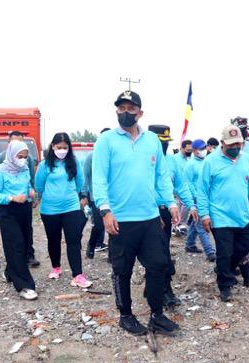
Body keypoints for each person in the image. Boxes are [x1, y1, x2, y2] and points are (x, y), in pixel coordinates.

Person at [92, 90, 180, 336]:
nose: (125, 112)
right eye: (121, 108)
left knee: (159, 265)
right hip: (120, 219)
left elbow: (160, 175)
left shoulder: (152, 140)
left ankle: (156, 315)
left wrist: (170, 203)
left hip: (150, 217)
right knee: (122, 269)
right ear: (116, 110)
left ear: (140, 113)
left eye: (131, 109)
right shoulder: (106, 141)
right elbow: (98, 178)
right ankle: (126, 315)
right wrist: (105, 210)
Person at [198, 125, 249, 302]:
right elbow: (202, 190)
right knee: (224, 252)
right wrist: (204, 215)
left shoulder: (246, 160)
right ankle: (225, 285)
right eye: (231, 145)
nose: (235, 148)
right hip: (220, 216)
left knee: (246, 244)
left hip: (242, 215)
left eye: (238, 144)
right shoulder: (210, 161)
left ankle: (224, 269)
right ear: (222, 143)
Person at [149, 124, 198, 308]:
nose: (163, 147)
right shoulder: (141, 160)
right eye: (160, 143)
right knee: (158, 254)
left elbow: (181, 185)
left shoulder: (172, 161)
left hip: (166, 212)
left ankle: (157, 286)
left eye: (165, 143)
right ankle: (163, 290)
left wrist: (191, 205)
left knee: (163, 250)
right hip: (147, 213)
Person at [35, 132, 91, 288]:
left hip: (71, 207)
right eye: (59, 147)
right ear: (53, 147)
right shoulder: (44, 165)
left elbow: (80, 182)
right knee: (53, 239)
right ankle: (56, 266)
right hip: (49, 209)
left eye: (65, 147)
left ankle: (78, 275)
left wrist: (71, 195)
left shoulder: (74, 162)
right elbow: (39, 186)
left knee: (73, 240)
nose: (62, 150)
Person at [0, 141, 38, 300]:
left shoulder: (24, 169)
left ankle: (10, 272)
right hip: (7, 210)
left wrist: (30, 191)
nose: (23, 160)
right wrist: (11, 197)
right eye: (19, 156)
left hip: (24, 209)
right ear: (11, 155)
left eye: (25, 157)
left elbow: (28, 184)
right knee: (15, 244)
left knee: (23, 244)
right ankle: (24, 285)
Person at [0, 130, 39, 268]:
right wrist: (4, 200)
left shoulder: (27, 160)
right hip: (8, 205)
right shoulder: (0, 161)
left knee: (27, 231)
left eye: (21, 141)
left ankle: (29, 256)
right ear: (9, 143)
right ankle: (13, 266)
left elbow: (30, 179)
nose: (22, 158)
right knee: (13, 238)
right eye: (15, 141)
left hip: (25, 202)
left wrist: (33, 194)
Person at [183, 139, 216, 261]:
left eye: (204, 148)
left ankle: (190, 245)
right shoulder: (190, 165)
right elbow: (187, 183)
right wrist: (195, 196)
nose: (203, 151)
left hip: (207, 197)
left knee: (195, 222)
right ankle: (210, 251)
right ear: (194, 150)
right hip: (197, 198)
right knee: (201, 224)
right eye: (200, 149)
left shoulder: (207, 162)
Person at [81, 129, 110, 259]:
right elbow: (85, 177)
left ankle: (113, 255)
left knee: (115, 226)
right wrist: (84, 195)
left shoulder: (114, 155)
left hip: (114, 198)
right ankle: (91, 245)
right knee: (98, 225)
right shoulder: (91, 157)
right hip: (96, 197)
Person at [172, 139, 193, 235]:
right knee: (179, 206)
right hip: (176, 188)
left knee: (184, 206)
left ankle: (179, 225)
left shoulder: (189, 159)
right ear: (182, 148)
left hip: (186, 188)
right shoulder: (174, 159)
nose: (190, 152)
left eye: (191, 150)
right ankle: (177, 225)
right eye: (188, 150)